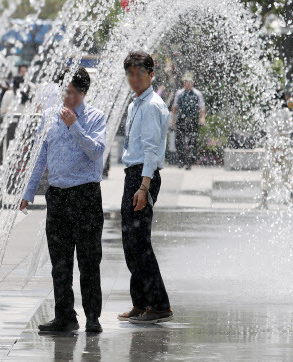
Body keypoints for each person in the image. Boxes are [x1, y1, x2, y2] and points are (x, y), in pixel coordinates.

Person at [20, 67, 106, 333]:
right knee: (60, 262)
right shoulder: (49, 117)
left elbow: (96, 152)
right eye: (65, 92)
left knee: (89, 260)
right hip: (57, 196)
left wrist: (75, 126)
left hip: (86, 195)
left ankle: (93, 316)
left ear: (83, 93)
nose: (67, 98)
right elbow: (41, 157)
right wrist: (28, 191)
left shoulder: (95, 117)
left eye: (73, 93)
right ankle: (65, 316)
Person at [118, 51, 173, 324]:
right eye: (130, 73)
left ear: (151, 75)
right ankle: (140, 303)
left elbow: (152, 150)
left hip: (143, 177)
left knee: (141, 243)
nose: (134, 78)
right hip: (134, 175)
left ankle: (159, 305)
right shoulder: (135, 104)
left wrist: (144, 186)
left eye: (139, 73)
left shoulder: (151, 104)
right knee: (131, 243)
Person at [257, 92, 293, 209]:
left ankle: (264, 201)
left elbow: (270, 131)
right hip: (285, 147)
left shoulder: (275, 114)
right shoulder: (287, 113)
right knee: (287, 174)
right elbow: (288, 131)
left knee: (267, 174)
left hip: (274, 147)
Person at [170, 72, 206, 170]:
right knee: (179, 141)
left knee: (192, 141)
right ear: (183, 83)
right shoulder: (179, 93)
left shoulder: (197, 93)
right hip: (181, 120)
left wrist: (202, 118)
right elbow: (174, 107)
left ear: (192, 83)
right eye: (186, 82)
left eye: (189, 82)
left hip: (193, 120)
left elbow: (202, 107)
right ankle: (181, 160)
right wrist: (173, 120)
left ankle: (190, 162)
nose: (188, 84)